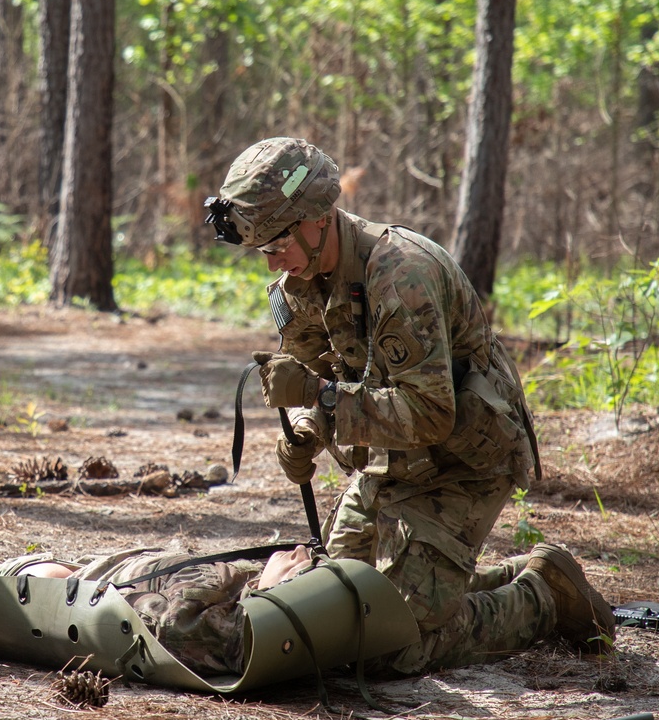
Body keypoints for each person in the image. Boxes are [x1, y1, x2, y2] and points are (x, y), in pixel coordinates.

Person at [204, 136, 615, 675]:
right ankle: (482, 581)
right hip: (389, 461)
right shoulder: (298, 286)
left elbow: (429, 414)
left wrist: (314, 397)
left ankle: (542, 597)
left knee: (390, 645)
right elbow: (323, 378)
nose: (272, 262)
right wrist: (305, 429)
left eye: (277, 244)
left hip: (461, 461)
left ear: (317, 218)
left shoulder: (401, 273)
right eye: (263, 251)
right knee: (325, 614)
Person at [0, 522, 313, 678]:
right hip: (136, 571)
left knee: (39, 582)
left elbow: (177, 630)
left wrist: (267, 590)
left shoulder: (236, 631)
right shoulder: (249, 612)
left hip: (100, 591)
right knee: (47, 577)